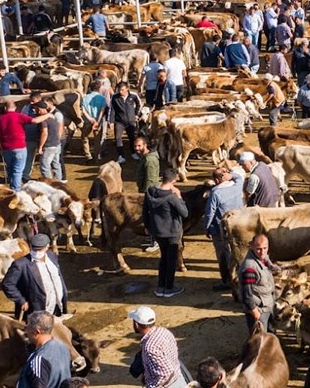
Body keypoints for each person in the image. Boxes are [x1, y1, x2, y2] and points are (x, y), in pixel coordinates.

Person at [143, 168, 188, 298]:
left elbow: (145, 210)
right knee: (171, 260)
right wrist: (179, 196)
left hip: (157, 231)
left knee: (163, 258)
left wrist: (147, 226)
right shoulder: (172, 197)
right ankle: (169, 287)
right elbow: (185, 213)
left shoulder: (150, 192)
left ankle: (160, 286)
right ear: (174, 180)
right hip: (172, 232)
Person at [2, 233, 68, 320]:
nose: (37, 252)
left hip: (56, 305)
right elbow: (7, 284)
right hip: (36, 309)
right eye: (35, 249)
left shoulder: (52, 257)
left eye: (40, 249)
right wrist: (21, 300)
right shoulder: (20, 264)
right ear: (30, 246)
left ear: (47, 247)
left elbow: (58, 276)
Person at [0, 98, 54, 191]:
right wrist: (48, 115)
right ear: (15, 108)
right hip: (19, 147)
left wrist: (1, 147)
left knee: (10, 168)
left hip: (6, 148)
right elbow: (35, 121)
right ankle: (16, 190)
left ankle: (12, 187)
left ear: (5, 108)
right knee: (18, 170)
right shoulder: (19, 116)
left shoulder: (0, 118)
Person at [204, 165, 244, 291]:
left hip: (221, 229)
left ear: (216, 180)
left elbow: (209, 213)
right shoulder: (237, 186)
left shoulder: (216, 193)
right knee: (238, 253)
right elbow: (239, 177)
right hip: (239, 226)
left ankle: (227, 281)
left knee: (223, 255)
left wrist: (207, 227)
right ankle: (240, 277)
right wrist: (231, 175)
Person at [128, 306, 187, 388]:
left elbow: (166, 373)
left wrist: (152, 385)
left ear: (136, 324)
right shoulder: (164, 332)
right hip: (179, 379)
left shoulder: (150, 348)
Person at [17, 311, 73, 388]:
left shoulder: (39, 359)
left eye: (28, 328)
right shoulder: (63, 347)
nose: (26, 331)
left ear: (36, 332)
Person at [239, 234, 279, 333]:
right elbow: (247, 294)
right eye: (259, 249)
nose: (262, 252)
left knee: (270, 334)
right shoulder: (249, 268)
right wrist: (254, 311)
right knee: (260, 338)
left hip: (267, 306)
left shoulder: (262, 259)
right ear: (252, 246)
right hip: (259, 311)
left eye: (265, 248)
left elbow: (268, 262)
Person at [110, 81, 142, 163]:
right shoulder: (115, 97)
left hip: (130, 121)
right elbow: (112, 109)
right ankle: (121, 155)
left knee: (132, 137)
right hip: (119, 121)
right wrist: (111, 121)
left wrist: (136, 114)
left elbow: (139, 104)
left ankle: (133, 153)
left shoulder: (133, 95)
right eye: (119, 90)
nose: (121, 92)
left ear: (127, 89)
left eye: (122, 90)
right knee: (118, 138)